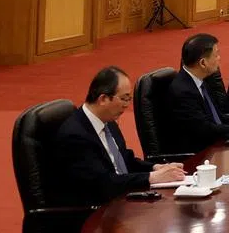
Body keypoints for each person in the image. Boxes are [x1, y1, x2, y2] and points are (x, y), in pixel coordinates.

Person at [54, 66, 186, 206]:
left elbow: (125, 160)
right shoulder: (75, 135)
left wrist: (156, 167)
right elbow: (103, 183)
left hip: (121, 197)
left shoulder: (108, 121)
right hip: (96, 211)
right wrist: (151, 177)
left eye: (129, 99)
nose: (126, 106)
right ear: (103, 99)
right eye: (124, 99)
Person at [168, 34, 229, 153]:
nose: (219, 58)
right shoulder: (183, 91)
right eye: (216, 55)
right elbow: (204, 129)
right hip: (197, 156)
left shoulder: (201, 81)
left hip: (214, 147)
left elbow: (216, 117)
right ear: (203, 63)